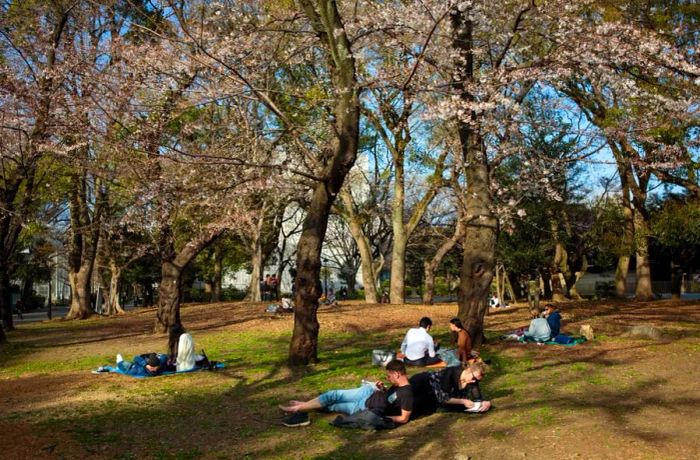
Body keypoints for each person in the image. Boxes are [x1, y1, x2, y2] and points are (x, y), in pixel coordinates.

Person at [279, 360, 413, 427]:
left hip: (364, 408)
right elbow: (389, 399)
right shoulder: (397, 385)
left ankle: (302, 406)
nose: (388, 378)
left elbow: (404, 418)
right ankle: (297, 408)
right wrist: (383, 389)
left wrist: (382, 418)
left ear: (397, 374)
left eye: (389, 376)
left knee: (333, 406)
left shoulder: (406, 393)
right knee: (334, 395)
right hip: (366, 394)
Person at [409, 361, 491, 417]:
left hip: (431, 397)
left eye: (477, 380)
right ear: (468, 370)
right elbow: (443, 397)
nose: (474, 381)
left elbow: (478, 399)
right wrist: (463, 401)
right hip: (423, 384)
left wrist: (486, 403)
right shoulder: (450, 373)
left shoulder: (472, 382)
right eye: (474, 378)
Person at [95, 352, 167, 377]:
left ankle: (119, 360)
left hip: (129, 367)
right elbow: (164, 356)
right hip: (134, 365)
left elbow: (136, 358)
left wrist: (145, 365)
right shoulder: (160, 366)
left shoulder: (140, 371)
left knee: (120, 363)